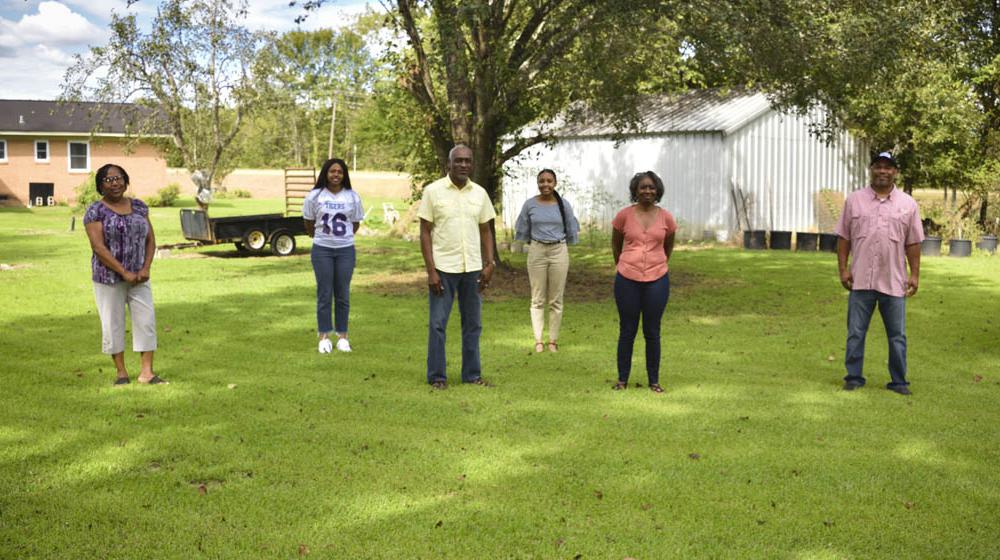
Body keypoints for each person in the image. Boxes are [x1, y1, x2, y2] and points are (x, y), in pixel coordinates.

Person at [836, 152, 923, 395]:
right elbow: (844, 238)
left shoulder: (908, 204)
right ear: (871, 169)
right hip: (860, 280)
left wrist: (914, 275)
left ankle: (899, 381)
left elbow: (913, 243)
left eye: (888, 167)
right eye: (878, 166)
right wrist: (843, 269)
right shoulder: (854, 200)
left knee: (897, 336)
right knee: (855, 332)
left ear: (895, 172)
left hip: (894, 282)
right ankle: (853, 377)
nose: (883, 171)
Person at [418, 145, 496, 388]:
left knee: (473, 324)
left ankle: (472, 375)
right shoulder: (433, 192)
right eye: (459, 161)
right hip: (443, 268)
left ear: (472, 164)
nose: (464, 165)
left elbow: (486, 230)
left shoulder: (480, 193)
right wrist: (431, 271)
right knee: (438, 324)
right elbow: (424, 232)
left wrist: (489, 263)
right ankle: (437, 376)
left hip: (472, 268)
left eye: (468, 161)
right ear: (448, 164)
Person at [83, 164, 165, 385]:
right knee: (112, 324)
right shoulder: (95, 211)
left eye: (118, 178)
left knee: (146, 321)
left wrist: (146, 267)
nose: (115, 183)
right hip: (108, 279)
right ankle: (121, 373)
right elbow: (98, 247)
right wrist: (124, 272)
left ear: (126, 180)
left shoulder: (139, 207)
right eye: (108, 180)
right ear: (101, 186)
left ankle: (147, 373)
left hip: (140, 277)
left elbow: (150, 239)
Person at [610, 171, 677, 393]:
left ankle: (654, 381)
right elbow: (616, 245)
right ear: (635, 190)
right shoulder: (623, 216)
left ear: (657, 190)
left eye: (651, 187)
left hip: (657, 279)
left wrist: (657, 265)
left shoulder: (666, 217)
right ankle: (622, 379)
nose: (647, 191)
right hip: (627, 279)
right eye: (643, 187)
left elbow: (668, 246)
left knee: (652, 331)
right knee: (627, 330)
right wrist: (626, 264)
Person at [514, 169, 580, 353]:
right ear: (538, 183)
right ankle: (538, 341)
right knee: (537, 298)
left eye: (549, 181)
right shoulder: (530, 205)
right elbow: (523, 227)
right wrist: (531, 243)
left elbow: (571, 226)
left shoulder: (563, 204)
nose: (545, 184)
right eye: (542, 181)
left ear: (555, 183)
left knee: (556, 299)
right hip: (537, 250)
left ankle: (552, 341)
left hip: (559, 250)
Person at [303, 158, 365, 354]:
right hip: (322, 250)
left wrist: (342, 238)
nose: (336, 175)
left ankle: (343, 337)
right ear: (325, 173)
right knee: (324, 294)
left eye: (340, 172)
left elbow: (355, 224)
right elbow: (308, 223)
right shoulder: (315, 196)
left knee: (343, 295)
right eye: (332, 171)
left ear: (344, 174)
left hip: (345, 250)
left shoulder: (352, 197)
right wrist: (323, 237)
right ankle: (323, 336)